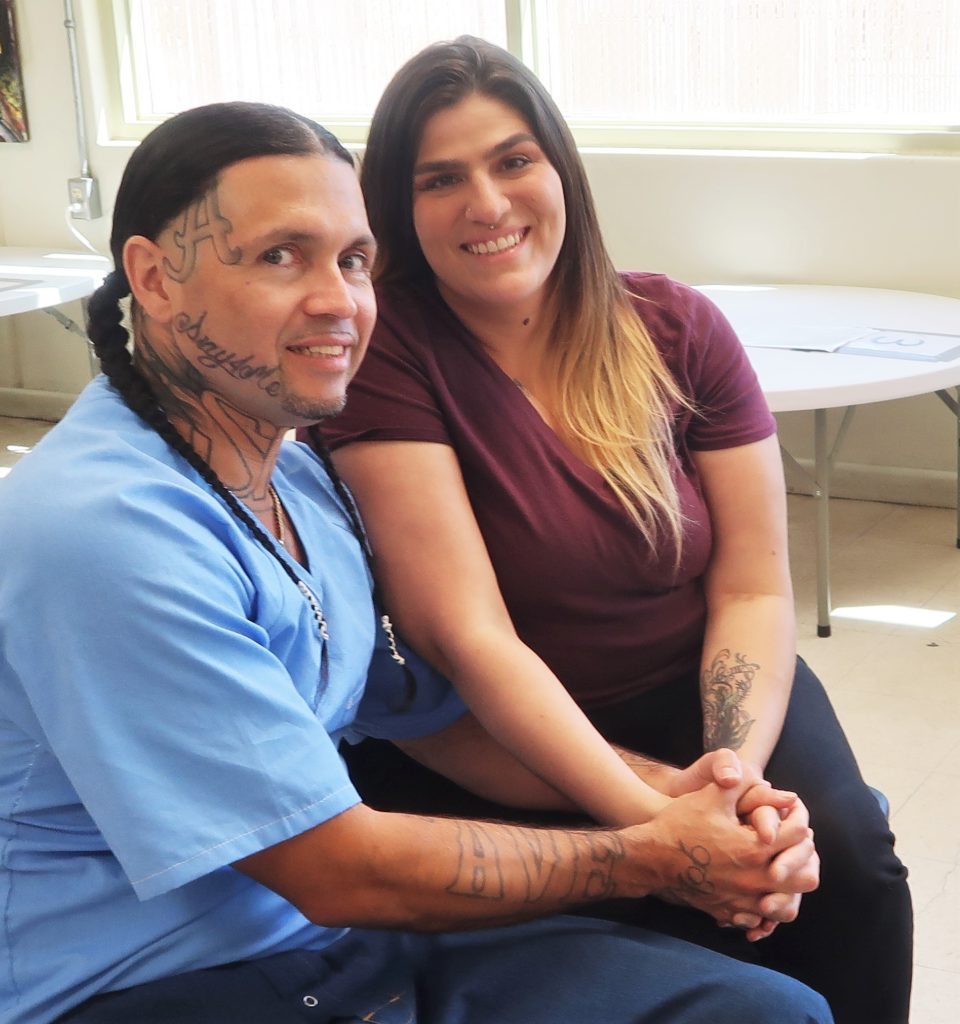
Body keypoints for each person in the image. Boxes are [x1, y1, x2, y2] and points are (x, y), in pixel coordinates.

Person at [0, 101, 832, 1024]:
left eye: (353, 260)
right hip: (111, 985)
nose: (339, 300)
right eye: (281, 255)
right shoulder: (105, 539)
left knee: (770, 1010)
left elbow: (427, 723)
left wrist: (692, 801)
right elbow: (336, 869)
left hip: (304, 940)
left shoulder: (294, 474)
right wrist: (658, 856)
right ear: (154, 279)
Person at [318, 37, 913, 1024]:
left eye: (513, 160)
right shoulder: (391, 356)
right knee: (677, 910)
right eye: (441, 179)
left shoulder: (675, 326)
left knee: (840, 856)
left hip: (706, 686)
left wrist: (727, 774)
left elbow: (756, 584)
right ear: (398, 207)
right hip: (502, 724)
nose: (488, 203)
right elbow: (466, 635)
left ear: (560, 168)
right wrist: (668, 829)